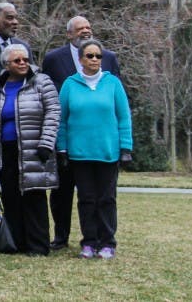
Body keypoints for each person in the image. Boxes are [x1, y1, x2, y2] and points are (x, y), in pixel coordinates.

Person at [42, 15, 121, 251]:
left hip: (102, 144)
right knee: (62, 193)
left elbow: (119, 103)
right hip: (70, 139)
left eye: (88, 27)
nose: (85, 31)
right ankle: (61, 236)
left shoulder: (109, 59)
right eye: (80, 29)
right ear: (69, 34)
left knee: (102, 196)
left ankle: (102, 239)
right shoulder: (54, 59)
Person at [56, 39, 132, 260]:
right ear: (80, 60)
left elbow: (123, 116)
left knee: (106, 199)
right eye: (89, 56)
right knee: (86, 200)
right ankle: (89, 242)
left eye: (98, 56)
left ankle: (107, 242)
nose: (95, 60)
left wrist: (126, 147)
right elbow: (62, 120)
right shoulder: (70, 85)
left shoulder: (113, 84)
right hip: (80, 154)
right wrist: (62, 148)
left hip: (107, 152)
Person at [0, 43, 60, 255]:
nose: (23, 63)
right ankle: (16, 242)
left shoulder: (41, 82)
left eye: (25, 60)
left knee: (34, 197)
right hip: (6, 150)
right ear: (6, 64)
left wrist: (46, 143)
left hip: (34, 148)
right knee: (10, 197)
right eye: (17, 61)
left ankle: (38, 245)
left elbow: (53, 112)